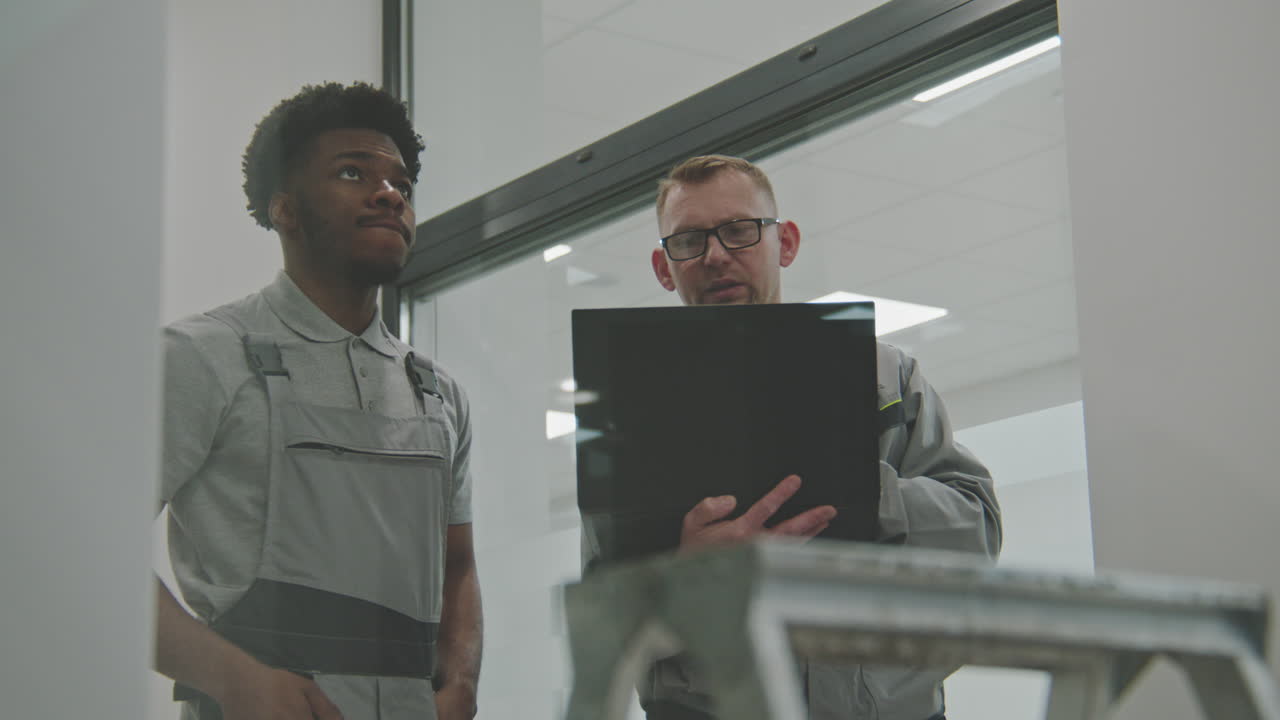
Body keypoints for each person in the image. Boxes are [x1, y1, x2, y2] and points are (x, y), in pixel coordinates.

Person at [153, 82, 482, 720]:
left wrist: (461, 685)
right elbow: (83, 550)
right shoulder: (201, 357)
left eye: (402, 185)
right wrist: (237, 681)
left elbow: (460, 566)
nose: (390, 194)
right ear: (285, 210)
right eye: (353, 172)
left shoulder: (440, 396)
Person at [638, 155, 1001, 720]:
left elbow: (978, 534)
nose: (715, 255)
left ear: (785, 243)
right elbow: (601, 615)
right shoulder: (637, 416)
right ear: (665, 268)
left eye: (738, 230)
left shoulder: (885, 377)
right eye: (689, 240)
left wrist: (861, 490)